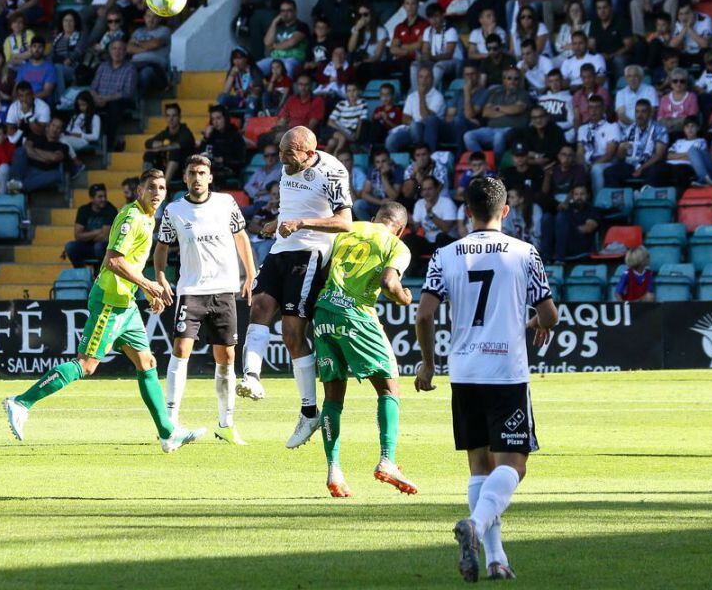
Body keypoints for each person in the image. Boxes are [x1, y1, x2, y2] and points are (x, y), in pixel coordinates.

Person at [414, 176, 556, 583]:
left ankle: (496, 559)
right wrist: (532, 322)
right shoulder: (525, 254)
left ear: (467, 212)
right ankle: (475, 525)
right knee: (514, 464)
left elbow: (424, 315)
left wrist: (428, 364)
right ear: (505, 211)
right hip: (506, 373)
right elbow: (550, 316)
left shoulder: (445, 255)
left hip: (464, 372)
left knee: (479, 466)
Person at [3, 169, 204, 451]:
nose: (157, 193)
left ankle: (167, 432)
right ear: (139, 191)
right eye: (151, 188)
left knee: (146, 363)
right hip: (110, 302)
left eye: (161, 188)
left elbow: (130, 264)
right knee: (86, 365)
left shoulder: (148, 219)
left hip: (126, 304)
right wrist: (148, 283)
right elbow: (112, 260)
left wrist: (145, 290)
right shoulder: (131, 217)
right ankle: (21, 402)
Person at [237, 126, 352, 449]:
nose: (283, 161)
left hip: (311, 252)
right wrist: (279, 221)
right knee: (258, 307)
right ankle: (252, 377)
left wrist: (301, 223)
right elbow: (295, 204)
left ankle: (308, 412)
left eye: (289, 155)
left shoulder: (331, 172)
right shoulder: (289, 168)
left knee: (291, 333)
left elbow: (344, 222)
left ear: (309, 153)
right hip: (281, 248)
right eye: (281, 152)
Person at [313, 202, 417, 497]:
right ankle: (388, 461)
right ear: (401, 228)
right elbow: (388, 282)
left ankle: (334, 470)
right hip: (356, 316)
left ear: (374, 219)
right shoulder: (396, 245)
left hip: (323, 312)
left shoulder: (349, 229)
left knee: (333, 398)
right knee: (389, 389)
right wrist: (404, 298)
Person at [154, 154, 255, 442]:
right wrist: (161, 275)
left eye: (202, 173)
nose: (197, 178)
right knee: (181, 350)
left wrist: (250, 273)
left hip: (223, 290)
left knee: (226, 356)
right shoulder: (174, 210)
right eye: (192, 173)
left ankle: (226, 424)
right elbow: (161, 247)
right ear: (185, 178)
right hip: (191, 291)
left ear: (210, 177)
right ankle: (171, 421)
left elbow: (241, 237)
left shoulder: (226, 203)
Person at [604, 99, 668, 186]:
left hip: (649, 164)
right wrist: (621, 149)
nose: (639, 115)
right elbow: (620, 157)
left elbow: (659, 155)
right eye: (637, 112)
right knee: (609, 172)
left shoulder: (660, 129)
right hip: (631, 164)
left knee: (655, 170)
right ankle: (620, 198)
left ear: (650, 113)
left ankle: (645, 196)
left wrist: (642, 167)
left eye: (643, 112)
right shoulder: (629, 129)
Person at [8, 115, 70, 193]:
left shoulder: (63, 146)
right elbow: (26, 148)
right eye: (53, 125)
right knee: (20, 151)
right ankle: (17, 184)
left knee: (56, 175)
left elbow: (54, 157)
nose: (54, 129)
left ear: (61, 131)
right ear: (48, 126)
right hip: (28, 169)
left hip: (44, 173)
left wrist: (34, 150)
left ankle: (17, 186)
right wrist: (45, 158)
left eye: (58, 128)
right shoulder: (34, 136)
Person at [65, 183, 117, 268]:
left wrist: (86, 235)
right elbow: (77, 235)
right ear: (92, 198)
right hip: (87, 246)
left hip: (105, 247)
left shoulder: (111, 210)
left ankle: (100, 274)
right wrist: (98, 231)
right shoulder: (83, 210)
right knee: (70, 247)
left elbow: (104, 236)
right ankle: (83, 274)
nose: (103, 199)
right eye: (100, 197)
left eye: (105, 196)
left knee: (98, 247)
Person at [144, 102, 195, 181]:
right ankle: (146, 184)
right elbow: (148, 143)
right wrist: (159, 143)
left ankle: (164, 186)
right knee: (148, 154)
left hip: (184, 169)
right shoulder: (166, 133)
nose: (171, 119)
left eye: (174, 116)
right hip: (166, 167)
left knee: (174, 152)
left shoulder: (185, 132)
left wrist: (160, 148)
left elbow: (178, 146)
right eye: (168, 116)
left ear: (179, 117)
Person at [354, 148, 402, 221]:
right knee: (358, 205)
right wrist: (380, 202)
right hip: (376, 203)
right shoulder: (372, 170)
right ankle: (370, 227)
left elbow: (394, 196)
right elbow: (364, 194)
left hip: (391, 207)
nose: (380, 165)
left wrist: (383, 177)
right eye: (377, 162)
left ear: (389, 160)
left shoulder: (397, 170)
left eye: (383, 161)